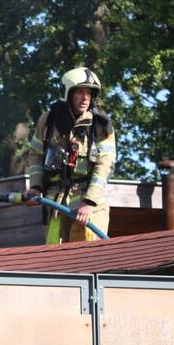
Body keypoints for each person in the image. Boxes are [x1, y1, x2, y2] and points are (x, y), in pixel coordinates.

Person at [25, 67, 116, 243]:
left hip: (89, 204)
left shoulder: (101, 125)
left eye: (89, 93)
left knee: (88, 253)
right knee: (56, 255)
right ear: (67, 93)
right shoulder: (47, 121)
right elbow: (35, 154)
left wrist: (89, 202)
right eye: (80, 92)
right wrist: (36, 186)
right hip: (55, 204)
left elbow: (105, 165)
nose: (85, 98)